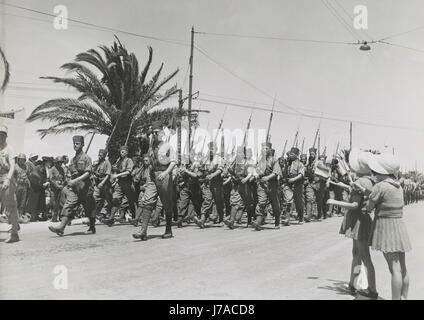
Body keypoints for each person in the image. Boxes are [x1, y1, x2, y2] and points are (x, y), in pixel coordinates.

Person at [366, 153, 411, 300]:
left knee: (394, 269)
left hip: (386, 227)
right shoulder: (398, 186)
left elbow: (368, 207)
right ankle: (404, 297)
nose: (374, 175)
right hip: (398, 226)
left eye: (375, 172)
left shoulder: (380, 186)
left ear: (381, 172)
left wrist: (369, 197)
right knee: (402, 268)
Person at [339, 148, 378, 299]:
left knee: (364, 256)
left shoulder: (361, 181)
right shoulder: (369, 180)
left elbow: (355, 205)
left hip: (359, 221)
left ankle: (372, 290)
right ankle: (352, 283)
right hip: (363, 220)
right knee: (357, 253)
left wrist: (335, 202)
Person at [133, 121, 177, 240]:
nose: (154, 134)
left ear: (161, 132)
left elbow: (173, 162)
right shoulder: (151, 147)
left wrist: (165, 173)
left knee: (167, 204)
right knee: (147, 201)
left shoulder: (167, 146)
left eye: (156, 132)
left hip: (164, 175)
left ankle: (168, 230)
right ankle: (143, 231)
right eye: (153, 132)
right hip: (153, 176)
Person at [48, 135, 96, 236]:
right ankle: (61, 227)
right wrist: (70, 181)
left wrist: (75, 180)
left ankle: (92, 227)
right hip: (75, 189)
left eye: (77, 143)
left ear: (83, 144)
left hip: (86, 188)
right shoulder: (73, 160)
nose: (75, 145)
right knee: (68, 205)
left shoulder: (86, 158)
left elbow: (88, 173)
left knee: (89, 208)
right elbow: (71, 173)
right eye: (74, 143)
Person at [251, 142, 282, 230]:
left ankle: (277, 222)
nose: (264, 150)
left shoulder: (274, 160)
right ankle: (258, 222)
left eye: (266, 148)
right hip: (261, 184)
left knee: (274, 203)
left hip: (272, 185)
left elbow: (276, 172)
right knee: (261, 202)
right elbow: (256, 170)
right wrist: (257, 171)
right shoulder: (260, 160)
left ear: (270, 150)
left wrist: (267, 177)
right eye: (263, 148)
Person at [194, 141, 225, 228]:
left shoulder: (219, 158)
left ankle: (221, 219)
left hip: (217, 183)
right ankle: (202, 220)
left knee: (218, 202)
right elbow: (201, 170)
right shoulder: (206, 159)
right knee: (207, 200)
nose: (211, 150)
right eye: (210, 149)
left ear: (216, 149)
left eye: (213, 148)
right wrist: (199, 173)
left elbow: (220, 170)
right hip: (207, 183)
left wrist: (212, 175)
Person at [104, 145, 136, 226]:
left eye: (123, 152)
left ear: (127, 152)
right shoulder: (119, 161)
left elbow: (128, 172)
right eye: (120, 152)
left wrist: (117, 175)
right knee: (116, 199)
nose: (121, 153)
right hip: (120, 183)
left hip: (127, 183)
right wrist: (115, 169)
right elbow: (116, 170)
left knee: (131, 201)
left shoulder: (129, 160)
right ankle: (111, 218)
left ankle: (135, 218)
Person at [0, 125, 20, 243]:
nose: (0, 137)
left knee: (11, 206)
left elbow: (12, 165)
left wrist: (8, 179)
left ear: (6, 137)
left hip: (6, 177)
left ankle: (14, 234)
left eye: (2, 135)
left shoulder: (9, 149)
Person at [284, 147, 305, 224]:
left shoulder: (300, 164)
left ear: (296, 155)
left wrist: (293, 179)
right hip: (288, 184)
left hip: (297, 184)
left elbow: (301, 175)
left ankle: (301, 218)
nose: (290, 155)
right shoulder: (288, 163)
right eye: (290, 154)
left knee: (298, 202)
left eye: (292, 154)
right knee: (288, 201)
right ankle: (287, 219)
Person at [91, 149, 112, 222]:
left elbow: (108, 175)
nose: (99, 156)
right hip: (97, 183)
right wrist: (93, 166)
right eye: (98, 155)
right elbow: (93, 172)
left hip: (105, 183)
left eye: (101, 155)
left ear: (104, 155)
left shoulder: (107, 163)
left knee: (106, 199)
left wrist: (102, 183)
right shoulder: (97, 163)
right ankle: (96, 214)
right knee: (95, 197)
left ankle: (104, 214)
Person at [14, 153, 30, 223]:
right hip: (17, 186)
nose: (21, 161)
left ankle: (20, 216)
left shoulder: (26, 167)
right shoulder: (15, 166)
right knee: (16, 201)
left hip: (24, 186)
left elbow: (28, 175)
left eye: (23, 160)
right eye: (20, 159)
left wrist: (28, 183)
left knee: (23, 202)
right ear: (18, 159)